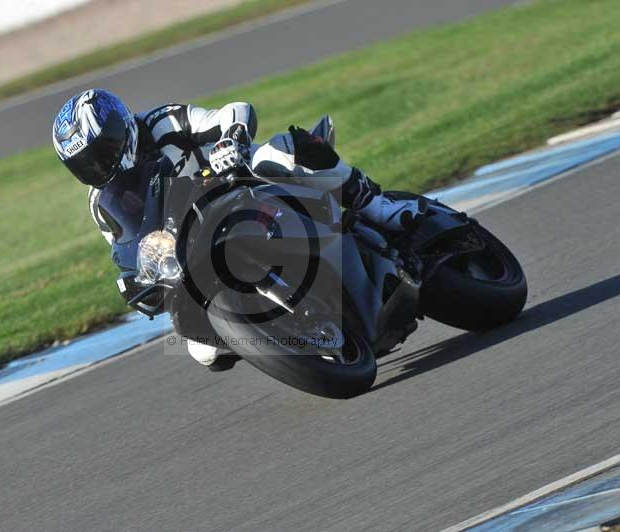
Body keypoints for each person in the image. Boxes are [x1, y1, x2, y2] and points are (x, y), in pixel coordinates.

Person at [52, 88, 426, 369]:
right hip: (197, 239)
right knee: (204, 350)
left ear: (120, 133)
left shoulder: (162, 122)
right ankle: (285, 330)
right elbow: (132, 247)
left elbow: (235, 110)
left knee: (278, 156)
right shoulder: (104, 203)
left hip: (239, 183)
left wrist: (231, 139)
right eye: (85, 164)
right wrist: (139, 278)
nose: (97, 168)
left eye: (100, 154)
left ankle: (378, 205)